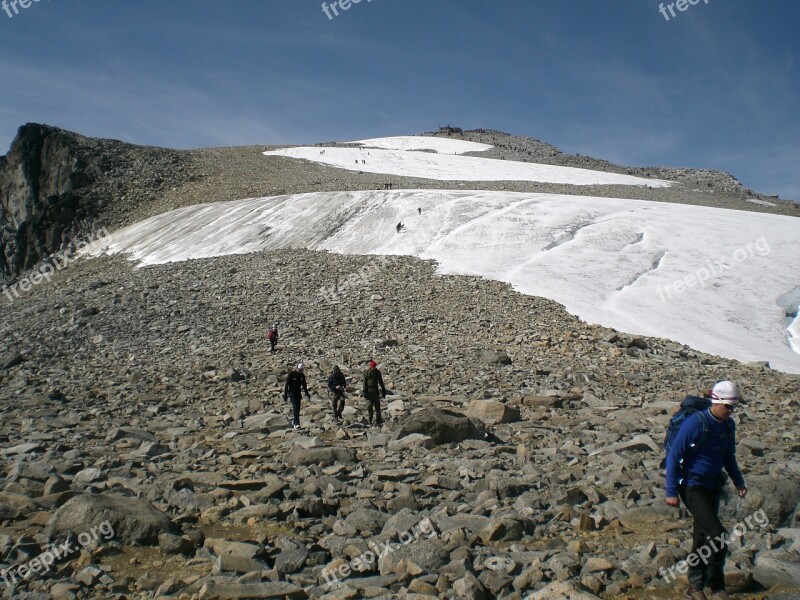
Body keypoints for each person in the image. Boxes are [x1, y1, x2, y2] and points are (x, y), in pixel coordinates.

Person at [665, 381, 747, 600]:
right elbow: (674, 456)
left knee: (701, 535)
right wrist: (671, 492)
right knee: (717, 533)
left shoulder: (727, 426)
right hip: (692, 485)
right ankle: (717, 585)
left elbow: (728, 456)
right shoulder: (695, 423)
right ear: (717, 401)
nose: (731, 412)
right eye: (728, 407)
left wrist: (738, 481)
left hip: (712, 485)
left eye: (733, 407)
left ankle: (695, 587)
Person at [283, 363, 311, 429]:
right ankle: (296, 423)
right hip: (292, 393)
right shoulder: (292, 374)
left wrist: (307, 393)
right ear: (297, 368)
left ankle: (294, 421)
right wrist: (285, 395)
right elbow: (287, 385)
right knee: (295, 407)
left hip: (298, 393)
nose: (300, 371)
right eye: (299, 369)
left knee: (298, 408)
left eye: (301, 370)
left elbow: (304, 385)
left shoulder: (302, 375)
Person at [362, 360, 387, 427]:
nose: (372, 368)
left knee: (377, 407)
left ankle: (378, 420)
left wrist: (383, 390)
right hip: (369, 392)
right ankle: (370, 419)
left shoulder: (377, 373)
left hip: (375, 391)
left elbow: (381, 381)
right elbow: (364, 383)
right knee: (369, 406)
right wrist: (364, 391)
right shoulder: (367, 373)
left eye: (373, 367)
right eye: (371, 366)